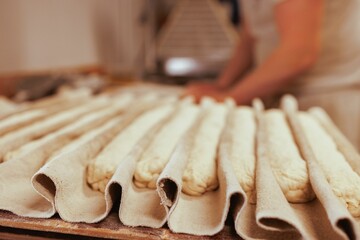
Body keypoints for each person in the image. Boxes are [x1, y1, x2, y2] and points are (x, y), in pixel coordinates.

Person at [185, 0, 360, 150]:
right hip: (284, 95)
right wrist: (223, 84)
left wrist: (228, 98)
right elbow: (253, 35)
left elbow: (299, 53)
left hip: (325, 101)